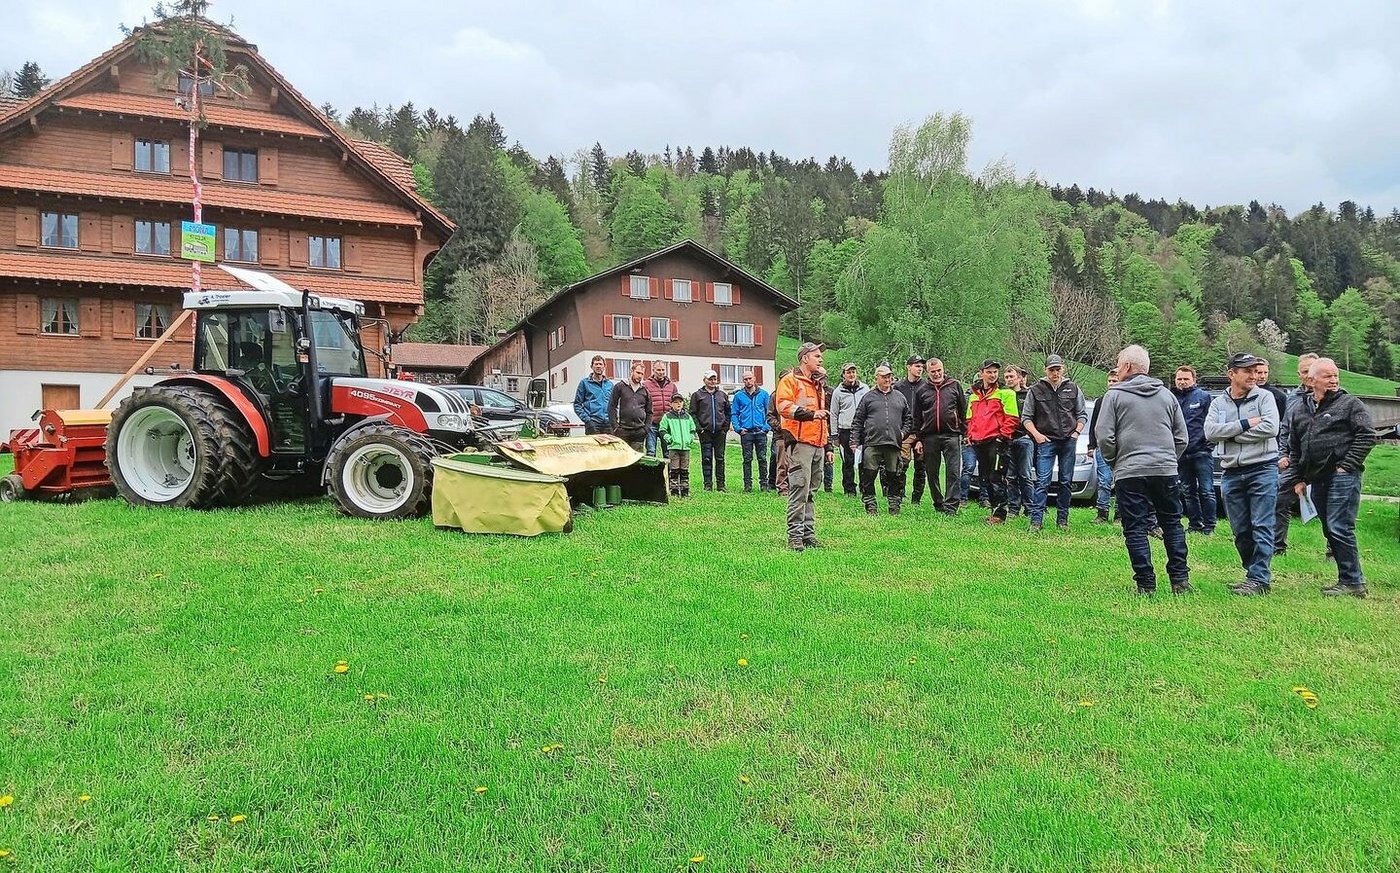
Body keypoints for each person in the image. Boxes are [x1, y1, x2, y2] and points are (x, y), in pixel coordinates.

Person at [1095, 345, 1191, 596]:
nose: (1116, 368)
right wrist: (1168, 459)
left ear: (1126, 367)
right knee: (1172, 523)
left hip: (1130, 471)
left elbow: (1104, 436)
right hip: (1165, 470)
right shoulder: (1168, 396)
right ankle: (1180, 580)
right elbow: (1181, 437)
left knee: (1135, 527)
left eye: (1118, 363)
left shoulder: (1114, 396)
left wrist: (1117, 462)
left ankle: (1146, 584)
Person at [1287, 357, 1378, 597]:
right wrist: (1299, 478)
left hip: (1342, 476)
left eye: (1336, 375)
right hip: (1316, 478)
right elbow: (1295, 448)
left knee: (1340, 527)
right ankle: (1346, 580)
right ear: (1311, 379)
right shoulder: (1300, 409)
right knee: (1329, 528)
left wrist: (1346, 465)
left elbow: (1368, 435)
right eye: (1328, 376)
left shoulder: (1350, 404)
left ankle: (1354, 582)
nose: (1334, 380)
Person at [1205, 353, 1280, 596]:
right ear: (1231, 374)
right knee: (1240, 529)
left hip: (1262, 468)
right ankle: (1253, 573)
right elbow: (1210, 432)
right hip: (1231, 471)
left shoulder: (1265, 397)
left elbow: (1271, 427)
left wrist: (1232, 436)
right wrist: (1247, 424)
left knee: (1261, 524)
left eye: (1255, 370)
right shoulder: (1218, 403)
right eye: (1247, 370)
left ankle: (1260, 579)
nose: (1253, 375)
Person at [775, 343, 833, 551]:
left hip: (817, 443)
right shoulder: (790, 380)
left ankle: (808, 534)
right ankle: (795, 537)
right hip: (800, 443)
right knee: (799, 489)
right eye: (817, 356)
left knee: (811, 490)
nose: (821, 359)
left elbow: (824, 417)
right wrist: (810, 415)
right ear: (804, 358)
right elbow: (782, 406)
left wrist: (828, 447)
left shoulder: (818, 384)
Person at [1022, 355, 1087, 531]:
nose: (1055, 373)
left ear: (1063, 369)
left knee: (1066, 481)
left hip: (1068, 441)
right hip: (1046, 440)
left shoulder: (1073, 388)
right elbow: (1026, 418)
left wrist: (1076, 432)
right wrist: (1036, 435)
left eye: (1058, 369)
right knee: (1043, 481)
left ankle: (1063, 520)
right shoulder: (1035, 390)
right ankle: (1036, 521)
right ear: (1045, 370)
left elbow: (1082, 414)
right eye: (1052, 369)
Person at [853, 364, 913, 515]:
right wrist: (854, 441)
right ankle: (870, 505)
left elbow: (908, 419)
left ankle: (894, 506)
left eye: (889, 376)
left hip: (893, 443)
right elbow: (858, 420)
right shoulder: (868, 397)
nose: (888, 379)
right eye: (884, 376)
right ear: (877, 378)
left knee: (894, 476)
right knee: (868, 475)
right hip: (872, 442)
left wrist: (902, 433)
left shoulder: (899, 397)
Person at [1275, 353, 1319, 555]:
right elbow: (1285, 428)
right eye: (1304, 372)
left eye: (1312, 370)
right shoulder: (1292, 398)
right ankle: (1278, 546)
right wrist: (1282, 454)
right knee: (1279, 500)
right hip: (1294, 460)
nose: (1309, 376)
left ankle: (1332, 550)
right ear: (1299, 374)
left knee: (1327, 504)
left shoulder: (1334, 396)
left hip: (1322, 461)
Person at [965, 359, 1019, 524]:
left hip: (997, 441)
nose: (992, 375)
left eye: (995, 372)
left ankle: (1000, 514)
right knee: (985, 478)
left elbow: (1013, 418)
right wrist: (970, 435)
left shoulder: (1005, 393)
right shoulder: (974, 396)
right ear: (982, 373)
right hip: (979, 442)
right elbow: (969, 418)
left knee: (997, 478)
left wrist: (1001, 437)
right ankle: (994, 511)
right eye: (989, 372)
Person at [911, 357, 966, 515]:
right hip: (930, 436)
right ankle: (938, 502)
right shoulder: (922, 390)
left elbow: (963, 410)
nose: (936, 374)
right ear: (928, 372)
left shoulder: (954, 385)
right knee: (932, 472)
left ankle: (951, 506)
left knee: (953, 471)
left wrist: (963, 430)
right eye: (933, 371)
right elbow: (917, 417)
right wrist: (918, 439)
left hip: (952, 434)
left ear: (943, 369)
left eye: (939, 370)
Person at [1171, 365, 1217, 535]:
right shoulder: (1171, 398)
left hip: (1201, 452)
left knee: (1207, 490)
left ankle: (1210, 526)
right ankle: (1194, 524)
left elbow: (1213, 422)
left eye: (1186, 379)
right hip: (1181, 453)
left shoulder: (1204, 397)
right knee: (1188, 491)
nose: (1182, 382)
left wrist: (1209, 445)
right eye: (1179, 379)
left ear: (1194, 380)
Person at [830, 363, 869, 496]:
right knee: (848, 461)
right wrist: (834, 435)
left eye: (853, 372)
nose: (851, 374)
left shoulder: (865, 389)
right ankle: (849, 489)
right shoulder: (838, 392)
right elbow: (834, 414)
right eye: (848, 372)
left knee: (864, 460)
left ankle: (865, 487)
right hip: (845, 429)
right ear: (843, 375)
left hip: (863, 429)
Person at [1086, 372, 1120, 523]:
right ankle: (1102, 513)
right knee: (1104, 480)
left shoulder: (1124, 401)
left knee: (1121, 482)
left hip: (1122, 447)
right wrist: (1091, 445)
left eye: (1115, 380)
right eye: (1110, 381)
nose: (1112, 383)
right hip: (1102, 447)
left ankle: (1120, 514)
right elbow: (1094, 425)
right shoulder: (1100, 401)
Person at [1001, 365, 1035, 517]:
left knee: (1025, 475)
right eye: (1006, 377)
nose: (1008, 379)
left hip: (1024, 439)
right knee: (1010, 476)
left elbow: (1035, 416)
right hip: (1007, 439)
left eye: (1011, 376)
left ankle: (1030, 507)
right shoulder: (1002, 394)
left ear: (1020, 378)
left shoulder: (1028, 395)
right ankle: (1013, 508)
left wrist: (1031, 434)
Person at [691, 371, 732, 491]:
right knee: (706, 458)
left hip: (720, 432)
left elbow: (728, 412)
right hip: (705, 432)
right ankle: (707, 484)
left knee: (720, 458)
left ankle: (721, 484)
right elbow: (693, 413)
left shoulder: (722, 395)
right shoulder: (697, 395)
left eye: (714, 379)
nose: (712, 381)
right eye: (710, 379)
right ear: (704, 380)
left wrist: (725, 427)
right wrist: (699, 429)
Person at [895, 355, 929, 503]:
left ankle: (916, 499)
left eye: (922, 366)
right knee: (902, 464)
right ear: (908, 367)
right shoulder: (898, 387)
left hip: (923, 431)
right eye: (917, 366)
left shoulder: (927, 386)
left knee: (921, 467)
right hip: (905, 432)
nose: (920, 368)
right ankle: (900, 495)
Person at [731, 369, 771, 492]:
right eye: (745, 379)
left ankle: (764, 485)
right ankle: (747, 485)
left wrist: (766, 428)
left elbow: (769, 413)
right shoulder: (739, 396)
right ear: (743, 381)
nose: (748, 381)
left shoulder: (764, 394)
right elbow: (734, 414)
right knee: (747, 459)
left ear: (754, 378)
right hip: (746, 433)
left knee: (762, 458)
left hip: (760, 432)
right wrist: (738, 429)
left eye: (750, 378)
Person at [658, 392, 697, 497]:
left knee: (684, 470)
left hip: (685, 448)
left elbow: (692, 429)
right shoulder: (667, 417)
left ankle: (685, 490)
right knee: (674, 470)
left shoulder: (687, 417)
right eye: (675, 402)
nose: (678, 404)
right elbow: (662, 429)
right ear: (671, 404)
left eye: (680, 402)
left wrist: (690, 439)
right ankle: (674, 490)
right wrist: (669, 439)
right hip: (674, 447)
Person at [608, 362, 651, 451]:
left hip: (639, 432)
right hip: (622, 431)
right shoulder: (620, 387)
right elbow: (612, 406)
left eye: (642, 374)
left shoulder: (645, 390)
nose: (640, 376)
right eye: (638, 372)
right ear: (631, 371)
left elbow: (649, 411)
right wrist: (615, 427)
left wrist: (646, 429)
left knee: (636, 462)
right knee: (622, 460)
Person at [642, 361, 680, 457]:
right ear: (653, 370)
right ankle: (651, 472)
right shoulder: (646, 385)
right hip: (652, 424)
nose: (661, 372)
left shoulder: (672, 386)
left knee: (668, 453)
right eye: (658, 370)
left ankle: (669, 472)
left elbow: (677, 404)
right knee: (651, 452)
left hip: (667, 425)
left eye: (663, 370)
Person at [573, 355, 614, 435]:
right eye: (596, 364)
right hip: (593, 424)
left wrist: (614, 419)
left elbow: (614, 404)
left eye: (600, 364)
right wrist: (587, 420)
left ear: (604, 366)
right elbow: (577, 404)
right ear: (591, 366)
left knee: (609, 447)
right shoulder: (584, 383)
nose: (598, 366)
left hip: (608, 424)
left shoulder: (610, 384)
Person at [766, 370, 791, 493]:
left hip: (794, 435)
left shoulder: (795, 395)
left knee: (794, 463)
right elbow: (770, 416)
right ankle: (782, 488)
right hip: (781, 435)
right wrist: (780, 426)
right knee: (781, 462)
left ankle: (793, 487)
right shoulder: (775, 396)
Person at [1253, 359, 1288, 424]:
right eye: (1259, 373)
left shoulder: (1279, 396)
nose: (1263, 376)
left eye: (1265, 372)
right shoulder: (1241, 392)